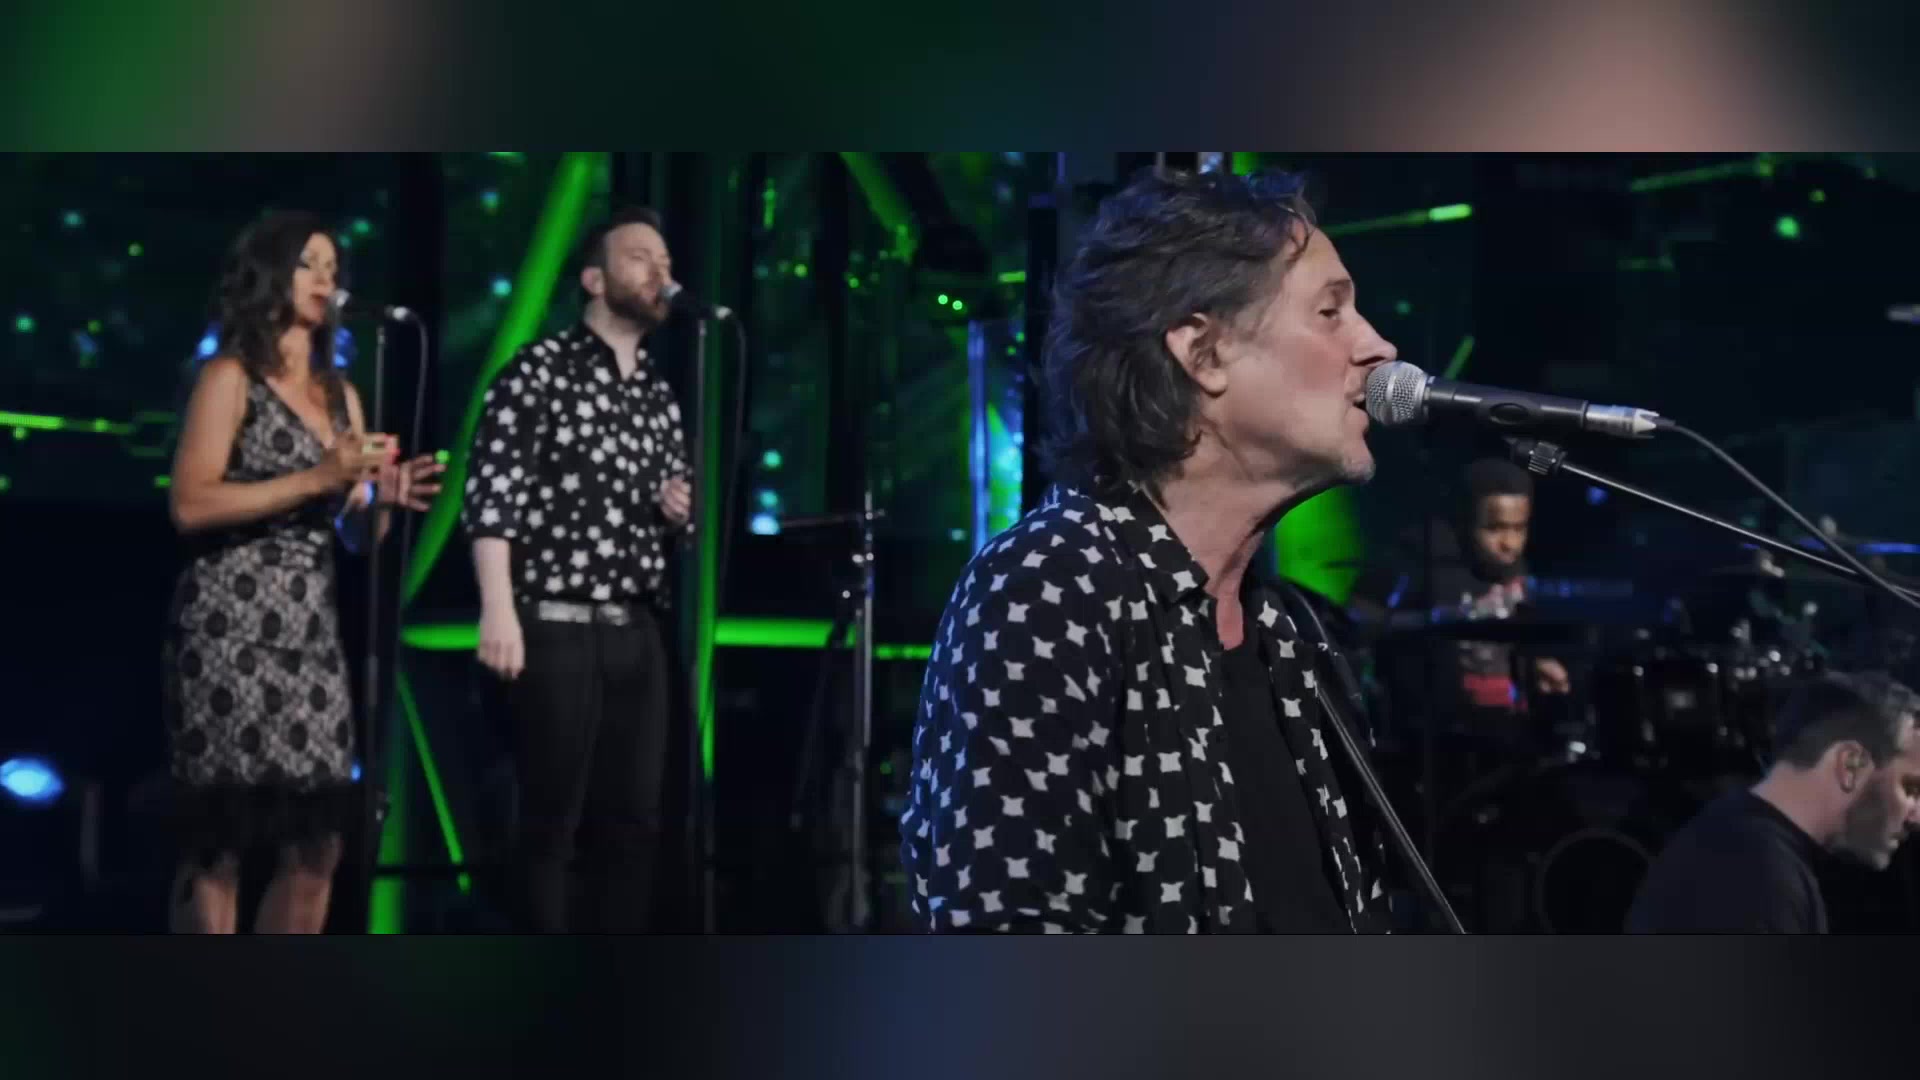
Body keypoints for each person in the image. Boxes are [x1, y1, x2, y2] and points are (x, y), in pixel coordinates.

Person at [899, 168, 1403, 933]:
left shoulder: (1290, 634)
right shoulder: (1045, 591)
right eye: (1330, 311)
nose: (1377, 346)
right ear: (1203, 353)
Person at [163, 210, 443, 934]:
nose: (326, 279)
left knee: (318, 844)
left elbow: (355, 535)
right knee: (220, 840)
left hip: (311, 636)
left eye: (333, 266)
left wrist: (381, 500)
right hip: (226, 630)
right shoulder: (230, 376)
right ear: (270, 275)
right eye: (308, 263)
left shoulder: (342, 395)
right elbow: (190, 503)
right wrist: (317, 477)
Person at [463, 205, 692, 933]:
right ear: (595, 279)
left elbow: (669, 517)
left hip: (635, 627)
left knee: (634, 822)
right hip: (555, 625)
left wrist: (674, 509)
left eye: (665, 261)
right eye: (640, 258)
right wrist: (498, 608)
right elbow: (492, 495)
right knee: (549, 821)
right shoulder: (538, 370)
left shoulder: (657, 393)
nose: (660, 272)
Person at [1625, 671, 1920, 933]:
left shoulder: (1739, 846)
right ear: (1851, 765)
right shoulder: (1754, 878)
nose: (1916, 817)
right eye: (1911, 789)